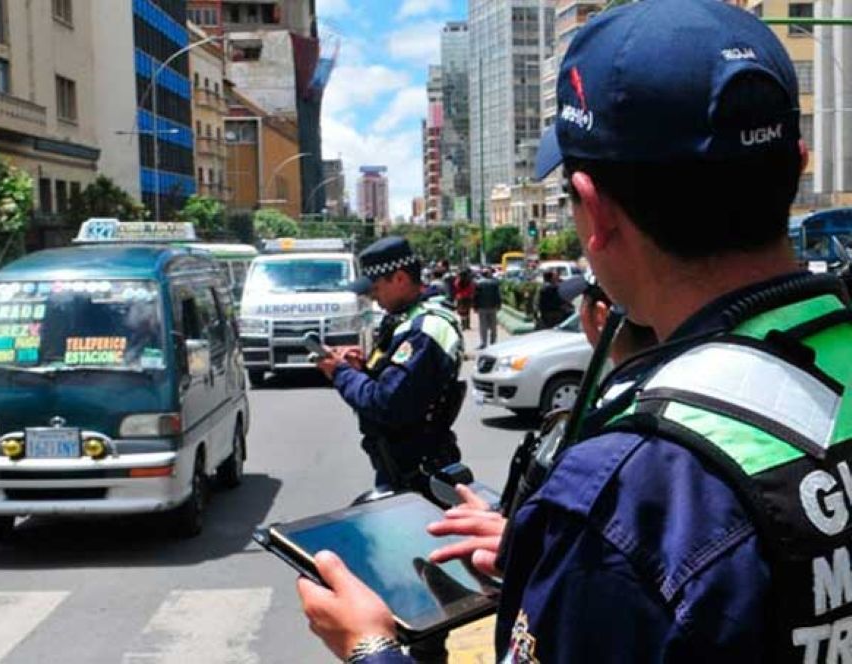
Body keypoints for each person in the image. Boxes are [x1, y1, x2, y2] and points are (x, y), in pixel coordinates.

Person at [296, 1, 852, 661]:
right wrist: (555, 556)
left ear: (592, 212)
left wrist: (371, 648)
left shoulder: (634, 490)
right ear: (797, 165)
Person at [315, 236, 465, 496]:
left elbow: (387, 403)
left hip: (417, 473)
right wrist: (360, 368)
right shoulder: (408, 320)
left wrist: (341, 373)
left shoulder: (425, 330)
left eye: (376, 287)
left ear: (399, 278)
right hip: (401, 466)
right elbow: (394, 380)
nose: (373, 297)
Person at [472, 267, 501, 349]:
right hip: (493, 306)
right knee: (493, 325)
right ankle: (493, 342)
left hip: (482, 307)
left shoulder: (478, 283)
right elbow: (498, 295)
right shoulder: (494, 282)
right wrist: (499, 305)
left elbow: (475, 296)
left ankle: (483, 343)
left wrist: (475, 306)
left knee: (483, 325)